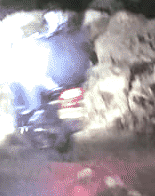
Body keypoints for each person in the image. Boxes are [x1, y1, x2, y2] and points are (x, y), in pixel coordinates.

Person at [5, 10, 93, 147]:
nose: (48, 23)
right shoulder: (77, 37)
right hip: (72, 83)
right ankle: (38, 122)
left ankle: (35, 119)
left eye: (49, 20)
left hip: (57, 84)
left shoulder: (50, 41)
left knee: (28, 83)